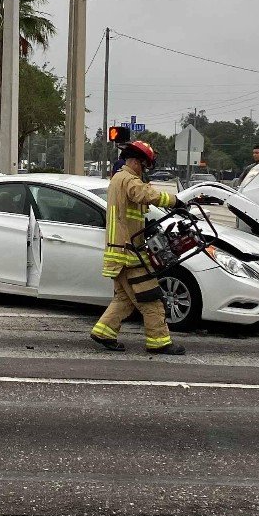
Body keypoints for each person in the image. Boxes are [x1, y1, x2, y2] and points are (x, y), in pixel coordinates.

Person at [90, 139, 187, 356]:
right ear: (136, 161)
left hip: (121, 252)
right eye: (144, 166)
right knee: (151, 298)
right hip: (129, 254)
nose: (145, 171)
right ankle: (159, 342)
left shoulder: (119, 179)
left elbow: (133, 211)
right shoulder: (127, 179)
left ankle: (104, 332)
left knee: (124, 299)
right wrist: (174, 201)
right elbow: (144, 194)